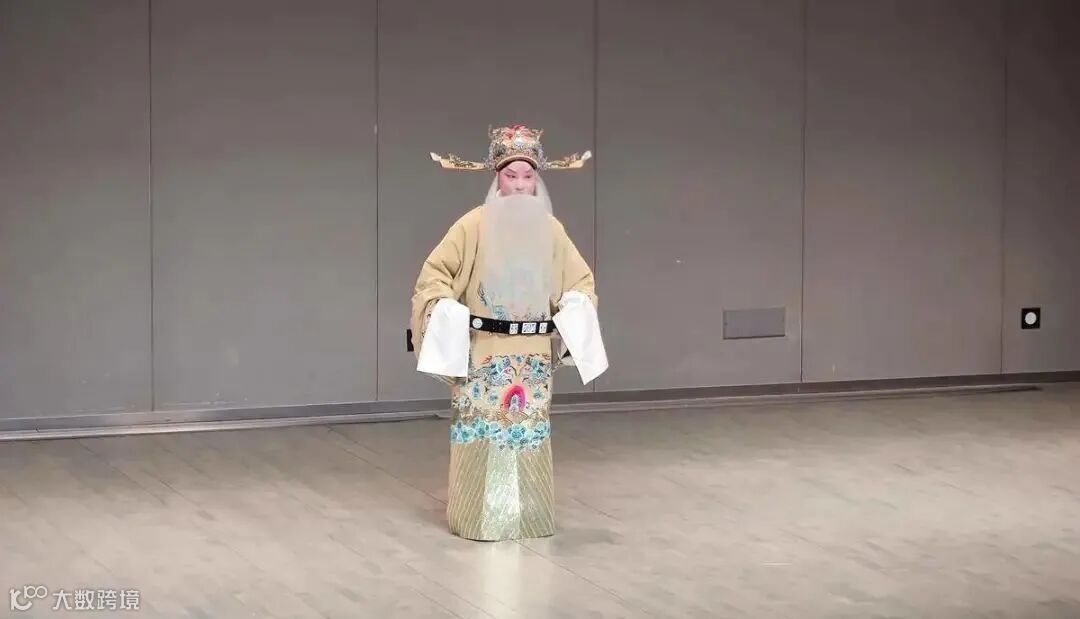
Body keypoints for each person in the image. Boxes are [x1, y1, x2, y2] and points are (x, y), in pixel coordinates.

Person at [410, 124, 608, 541]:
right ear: (496, 178)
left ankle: (531, 518)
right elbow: (434, 276)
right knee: (482, 430)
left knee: (528, 432)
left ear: (537, 180)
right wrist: (445, 310)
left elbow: (580, 281)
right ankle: (476, 518)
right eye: (510, 175)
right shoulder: (472, 226)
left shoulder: (551, 231)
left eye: (527, 176)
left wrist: (575, 305)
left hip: (532, 353)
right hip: (483, 351)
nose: (519, 185)